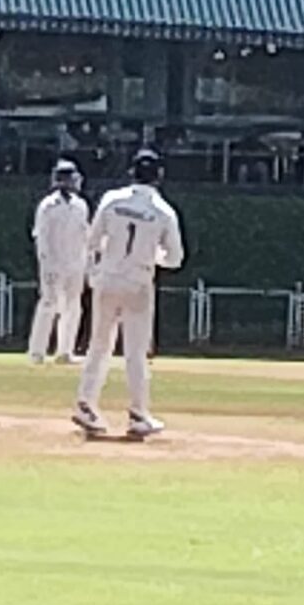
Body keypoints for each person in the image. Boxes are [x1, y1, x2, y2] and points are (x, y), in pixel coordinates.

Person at [73, 149, 185, 438]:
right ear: (159, 176)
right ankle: (138, 413)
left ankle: (86, 404)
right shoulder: (163, 211)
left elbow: (93, 240)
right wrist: (152, 256)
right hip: (138, 283)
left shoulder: (111, 200)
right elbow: (175, 259)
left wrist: (96, 271)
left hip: (108, 280)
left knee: (99, 345)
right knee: (136, 351)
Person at [27, 159, 90, 366]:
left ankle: (65, 351)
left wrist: (88, 264)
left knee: (73, 306)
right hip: (53, 264)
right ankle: (37, 351)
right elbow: (41, 238)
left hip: (75, 264)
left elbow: (85, 236)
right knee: (49, 303)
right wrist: (46, 264)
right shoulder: (47, 206)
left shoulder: (81, 205)